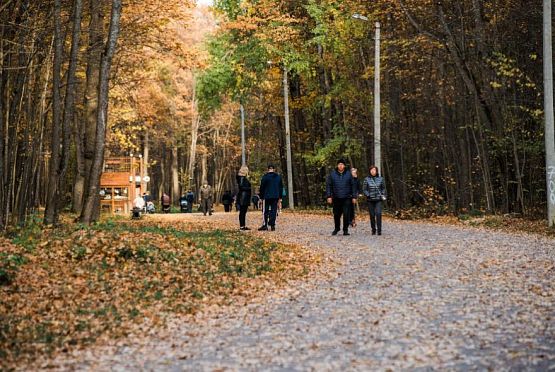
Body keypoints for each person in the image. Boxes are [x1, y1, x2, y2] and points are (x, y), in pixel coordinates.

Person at [326, 159, 357, 236]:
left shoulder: (349, 174)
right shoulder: (332, 174)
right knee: (336, 214)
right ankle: (337, 228)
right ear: (337, 165)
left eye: (342, 164)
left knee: (346, 214)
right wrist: (329, 196)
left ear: (344, 165)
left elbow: (353, 186)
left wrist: (354, 197)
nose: (340, 166)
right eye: (339, 164)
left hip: (346, 198)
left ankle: (345, 230)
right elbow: (329, 185)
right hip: (336, 198)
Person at [258, 164, 284, 231]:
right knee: (274, 210)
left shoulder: (265, 177)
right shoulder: (278, 177)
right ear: (274, 169)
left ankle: (265, 225)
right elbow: (281, 187)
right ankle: (272, 225)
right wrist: (280, 197)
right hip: (275, 196)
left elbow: (262, 187)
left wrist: (261, 197)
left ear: (268, 169)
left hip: (266, 196)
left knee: (265, 211)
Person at [362, 165, 387, 235]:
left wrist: (382, 194)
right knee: (372, 215)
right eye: (371, 170)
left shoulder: (381, 179)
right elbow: (364, 189)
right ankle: (373, 229)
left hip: (378, 199)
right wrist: (368, 194)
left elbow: (383, 188)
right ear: (370, 171)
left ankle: (379, 230)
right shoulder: (366, 179)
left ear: (376, 171)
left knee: (378, 214)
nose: (373, 171)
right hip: (370, 200)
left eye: (374, 170)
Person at [236, 166, 252, 230]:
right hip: (243, 197)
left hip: (244, 196)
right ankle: (242, 226)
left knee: (243, 212)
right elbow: (241, 187)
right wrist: (249, 188)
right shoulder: (242, 178)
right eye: (247, 170)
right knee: (242, 212)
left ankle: (243, 225)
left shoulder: (242, 178)